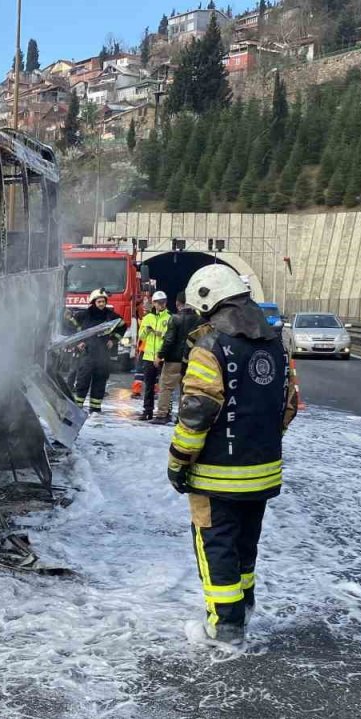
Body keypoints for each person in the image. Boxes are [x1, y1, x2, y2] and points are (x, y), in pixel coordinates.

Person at [166, 264, 298, 646]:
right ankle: (244, 608)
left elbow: (197, 413)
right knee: (244, 545)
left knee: (217, 546)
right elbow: (288, 404)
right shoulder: (276, 344)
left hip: (215, 475)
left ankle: (224, 626)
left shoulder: (210, 347)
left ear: (209, 301)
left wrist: (178, 462)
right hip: (263, 471)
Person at [72, 288, 126, 413]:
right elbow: (72, 326)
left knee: (100, 381)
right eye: (99, 302)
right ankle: (77, 407)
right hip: (87, 354)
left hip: (103, 355)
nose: (101, 304)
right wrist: (78, 342)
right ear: (93, 302)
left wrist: (113, 340)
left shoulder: (110, 315)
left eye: (103, 301)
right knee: (82, 381)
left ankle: (95, 408)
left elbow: (123, 326)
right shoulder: (84, 315)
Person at [152, 291, 202, 425]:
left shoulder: (175, 319)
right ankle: (182, 417)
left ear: (177, 303)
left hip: (173, 360)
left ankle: (162, 415)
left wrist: (160, 355)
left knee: (166, 387)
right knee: (186, 389)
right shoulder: (199, 320)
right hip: (191, 360)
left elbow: (169, 340)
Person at [137, 291, 171, 421]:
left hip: (163, 357)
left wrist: (158, 333)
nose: (161, 305)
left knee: (165, 387)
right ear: (154, 303)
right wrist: (146, 330)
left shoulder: (169, 318)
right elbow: (141, 337)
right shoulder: (148, 318)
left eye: (163, 302)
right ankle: (147, 411)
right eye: (158, 302)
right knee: (149, 386)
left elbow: (170, 337)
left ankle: (165, 411)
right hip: (149, 357)